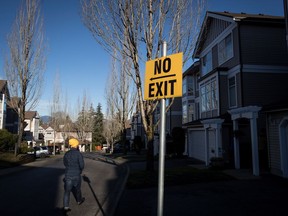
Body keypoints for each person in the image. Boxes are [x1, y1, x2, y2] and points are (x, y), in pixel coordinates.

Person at [63, 138, 85, 212]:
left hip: (68, 174)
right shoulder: (78, 154)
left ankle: (66, 207)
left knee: (67, 191)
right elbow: (82, 165)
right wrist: (80, 170)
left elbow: (65, 163)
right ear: (76, 145)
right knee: (77, 189)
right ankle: (79, 201)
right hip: (76, 174)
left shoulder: (66, 154)